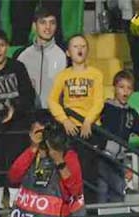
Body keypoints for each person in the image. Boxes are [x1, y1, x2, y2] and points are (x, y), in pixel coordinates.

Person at [8, 116, 84, 217]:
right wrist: (33, 148)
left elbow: (75, 190)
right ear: (31, 134)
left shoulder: (67, 155)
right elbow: (14, 176)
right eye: (38, 132)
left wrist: (59, 160)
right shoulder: (30, 154)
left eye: (45, 132)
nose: (42, 137)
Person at [47, 34, 105, 203]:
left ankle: (91, 215)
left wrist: (88, 121)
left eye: (83, 46)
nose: (79, 50)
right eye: (75, 46)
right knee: (70, 171)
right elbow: (52, 100)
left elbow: (99, 101)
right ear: (67, 52)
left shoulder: (96, 74)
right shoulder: (62, 76)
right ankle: (70, 208)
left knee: (90, 173)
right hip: (69, 129)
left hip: (90, 129)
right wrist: (64, 120)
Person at [0, 28, 36, 213]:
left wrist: (14, 109)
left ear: (7, 47)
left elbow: (28, 95)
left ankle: (18, 206)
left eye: (1, 45)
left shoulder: (17, 67)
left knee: (17, 165)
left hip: (18, 127)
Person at [98, 70, 139, 203]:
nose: (125, 91)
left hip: (119, 160)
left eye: (129, 88)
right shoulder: (105, 107)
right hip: (103, 156)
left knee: (118, 193)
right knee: (101, 192)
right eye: (121, 87)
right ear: (114, 87)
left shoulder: (131, 113)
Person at [16, 7, 67, 109]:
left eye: (52, 23)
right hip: (28, 116)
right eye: (43, 22)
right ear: (35, 26)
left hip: (55, 116)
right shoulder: (22, 55)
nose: (48, 27)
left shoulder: (64, 54)